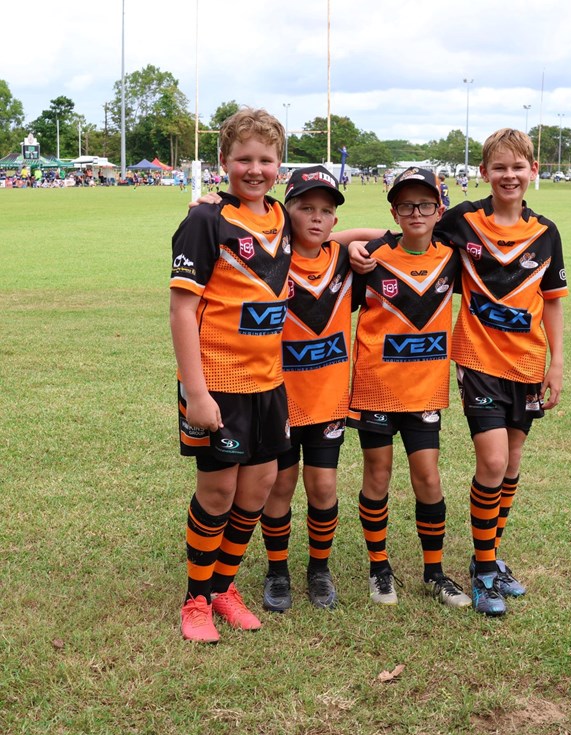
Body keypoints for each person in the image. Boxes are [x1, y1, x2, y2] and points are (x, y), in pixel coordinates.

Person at [350, 130, 568, 617]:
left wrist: (557, 362)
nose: (509, 176)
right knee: (491, 463)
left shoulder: (546, 232)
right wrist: (354, 248)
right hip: (477, 362)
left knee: (510, 465)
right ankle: (485, 565)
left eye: (518, 167)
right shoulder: (461, 221)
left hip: (528, 364)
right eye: (499, 167)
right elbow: (406, 230)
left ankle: (486, 555)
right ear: (485, 172)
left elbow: (551, 301)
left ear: (532, 170)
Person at [170, 107, 291, 644]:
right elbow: (180, 312)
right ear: (224, 162)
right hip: (217, 383)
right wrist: (195, 392)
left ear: (279, 165)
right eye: (244, 158)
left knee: (258, 489)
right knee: (218, 492)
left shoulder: (282, 217)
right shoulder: (205, 220)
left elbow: (324, 237)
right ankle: (196, 598)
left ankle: (224, 587)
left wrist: (366, 240)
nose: (255, 168)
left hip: (269, 383)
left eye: (266, 159)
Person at [258, 167, 379, 613]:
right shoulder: (271, 258)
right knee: (280, 485)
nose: (316, 218)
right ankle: (277, 571)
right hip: (281, 398)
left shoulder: (345, 260)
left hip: (328, 399)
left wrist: (349, 240)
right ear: (285, 211)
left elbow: (391, 231)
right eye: (305, 208)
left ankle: (319, 569)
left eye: (326, 212)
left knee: (324, 488)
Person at [348, 168, 470, 610]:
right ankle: (379, 568)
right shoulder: (373, 255)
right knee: (377, 475)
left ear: (440, 209)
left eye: (425, 204)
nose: (415, 212)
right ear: (393, 211)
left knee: (428, 478)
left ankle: (434, 572)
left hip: (425, 393)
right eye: (405, 205)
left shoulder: (454, 256)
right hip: (376, 388)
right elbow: (320, 239)